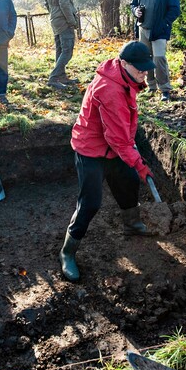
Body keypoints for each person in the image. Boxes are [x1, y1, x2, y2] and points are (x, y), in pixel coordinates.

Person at [59, 41, 157, 282]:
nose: (145, 73)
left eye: (147, 68)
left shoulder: (125, 76)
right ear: (123, 63)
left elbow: (121, 132)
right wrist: (140, 163)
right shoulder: (110, 89)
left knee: (128, 181)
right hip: (90, 149)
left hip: (112, 147)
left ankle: (131, 224)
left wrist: (134, 165)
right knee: (91, 202)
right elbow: (118, 139)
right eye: (140, 68)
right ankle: (67, 252)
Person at [130, 0, 181, 102]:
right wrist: (136, 12)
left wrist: (164, 23)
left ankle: (165, 90)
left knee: (159, 58)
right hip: (143, 28)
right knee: (146, 59)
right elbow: (133, 4)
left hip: (159, 30)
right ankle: (151, 86)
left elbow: (175, 10)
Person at [45, 0, 81, 90]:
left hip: (54, 17)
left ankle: (61, 76)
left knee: (60, 49)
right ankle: (54, 77)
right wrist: (72, 21)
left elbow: (46, 1)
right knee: (67, 50)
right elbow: (65, 3)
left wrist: (53, 14)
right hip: (63, 18)